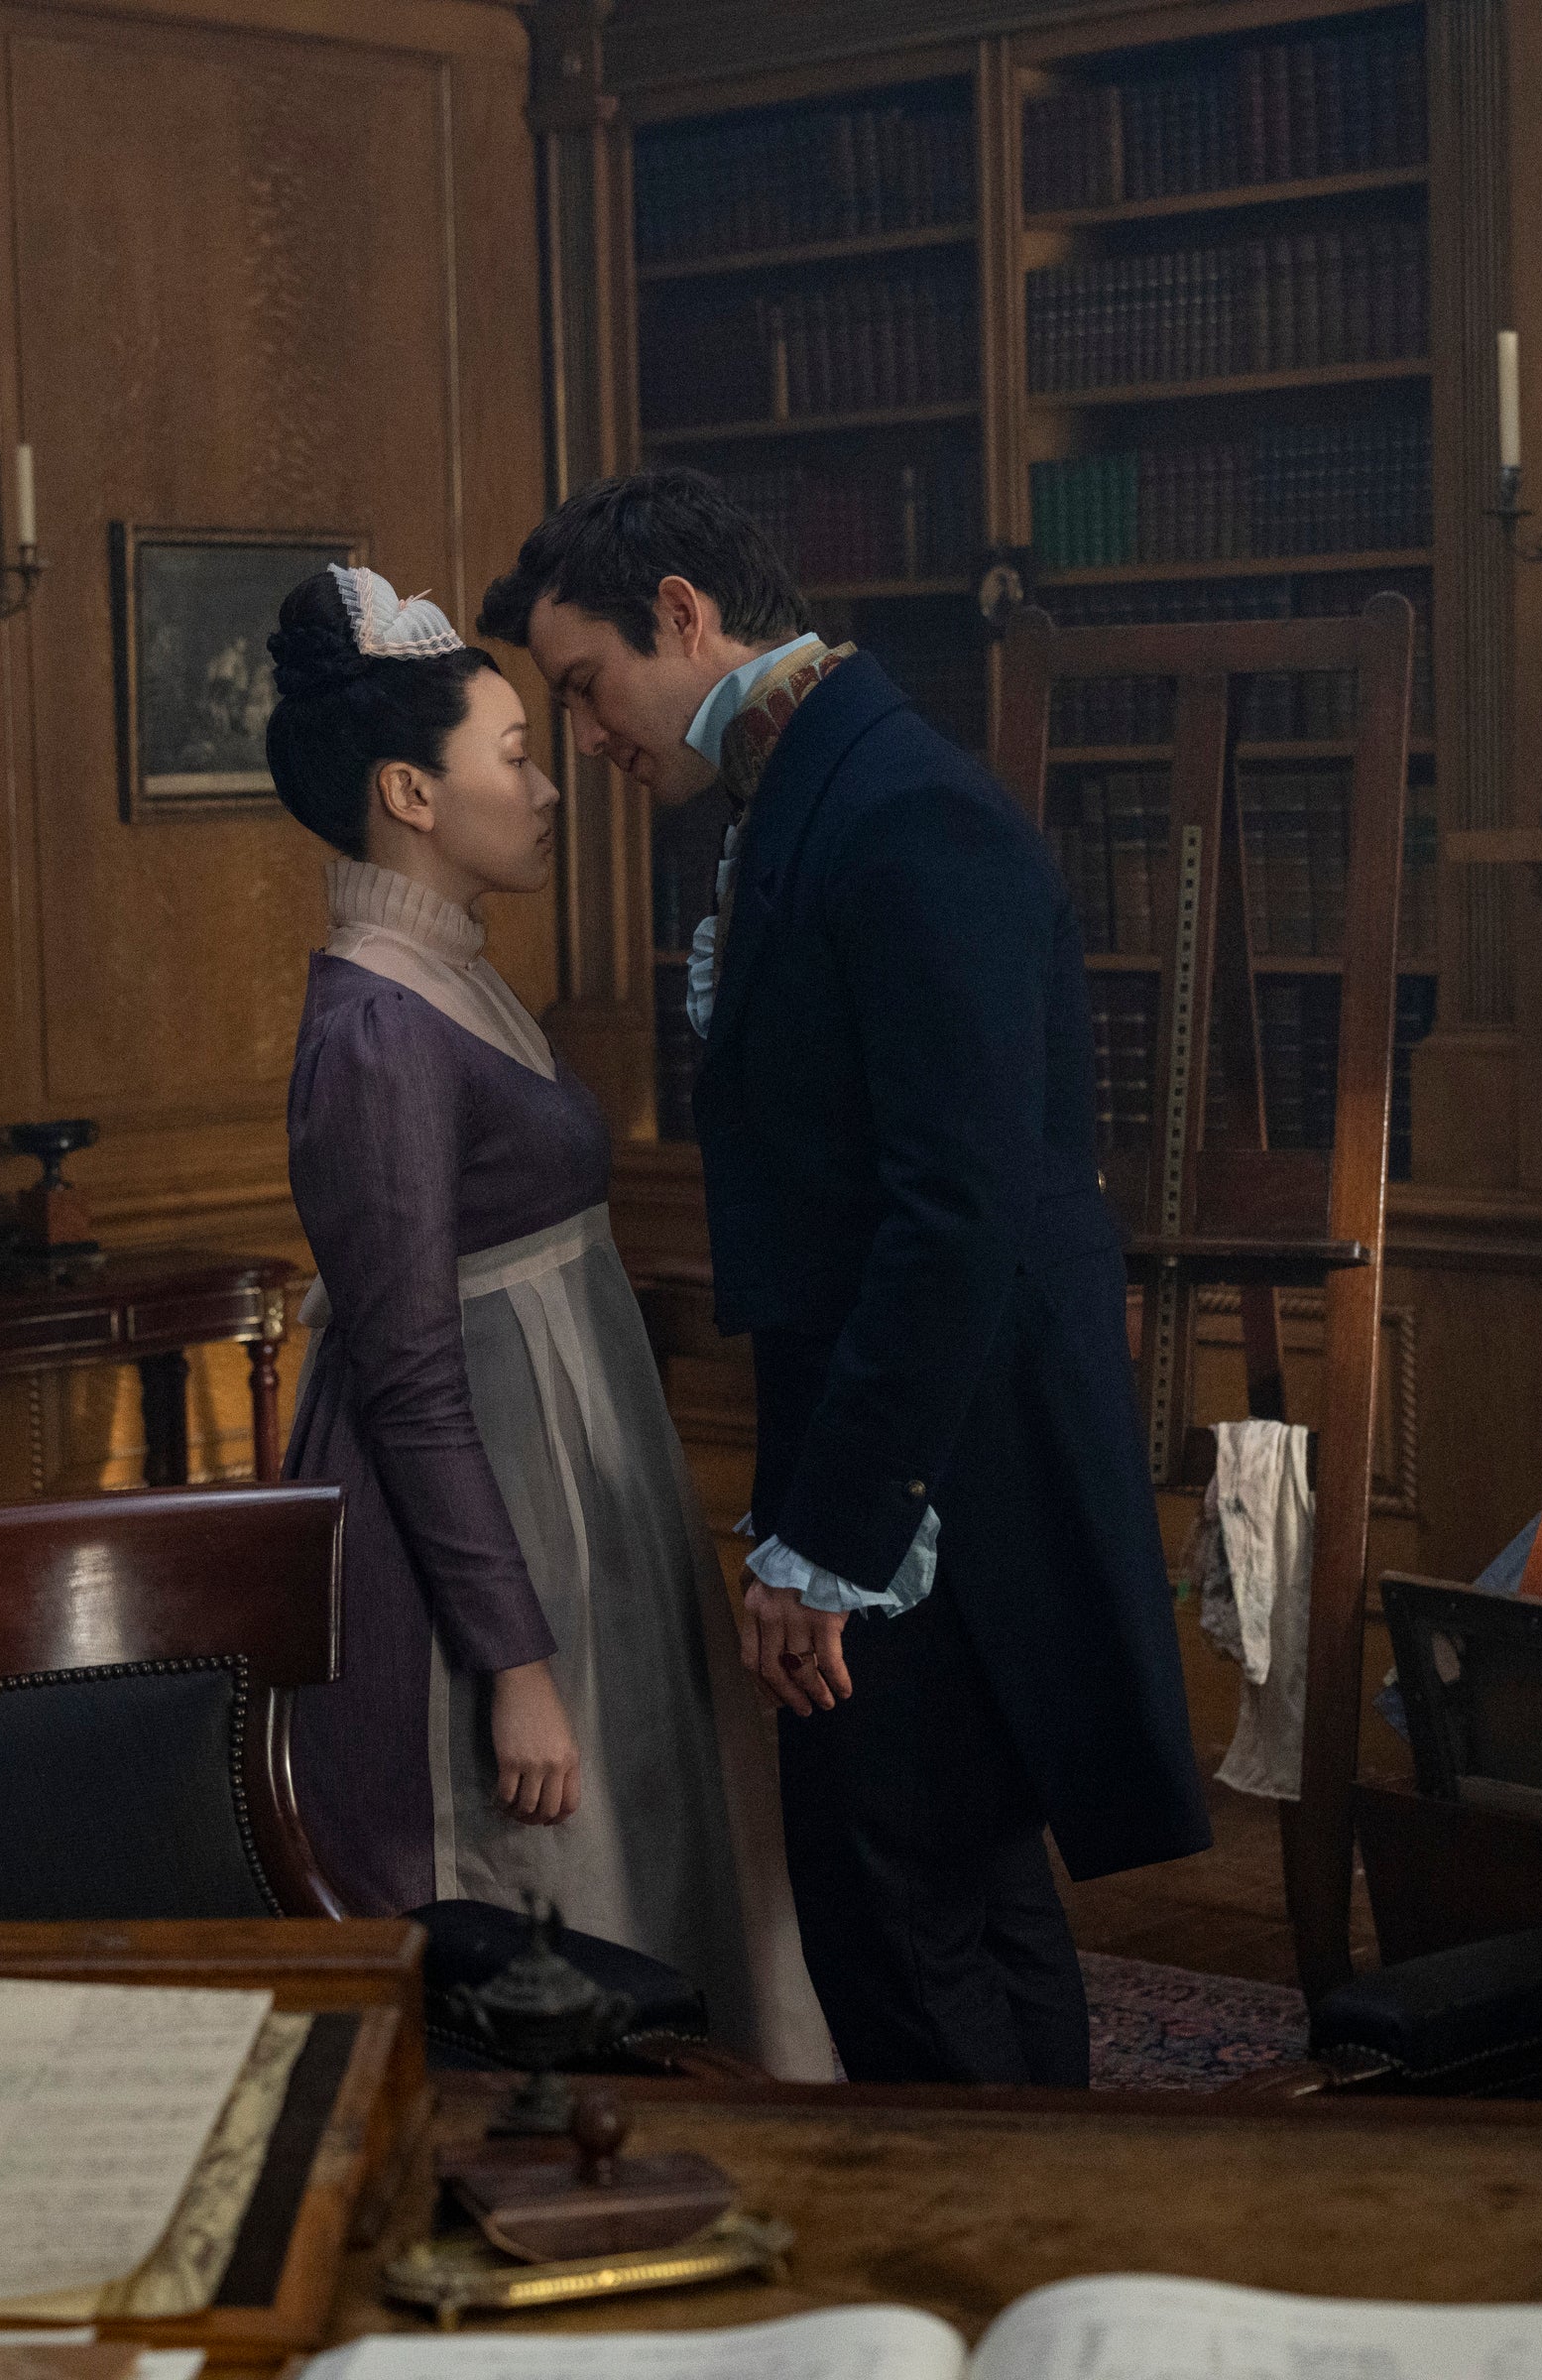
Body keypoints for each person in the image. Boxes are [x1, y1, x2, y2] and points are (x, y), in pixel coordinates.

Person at [479, 471, 1211, 2087]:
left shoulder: (903, 813)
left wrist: (828, 1545)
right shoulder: (810, 788)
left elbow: (955, 1215)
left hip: (948, 1467)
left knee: (896, 1912)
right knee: (958, 1901)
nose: (584, 737)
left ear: (684, 615)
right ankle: (1046, 2226)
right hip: (896, 1441)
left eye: (586, 685)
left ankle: (975, 2234)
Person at [265, 562, 831, 2081]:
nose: (546, 788)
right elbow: (409, 1378)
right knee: (539, 1899)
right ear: (409, 793)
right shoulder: (378, 1030)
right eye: (512, 757)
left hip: (570, 1492)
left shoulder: (450, 975)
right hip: (481, 1537)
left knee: (661, 1857)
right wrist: (515, 1666)